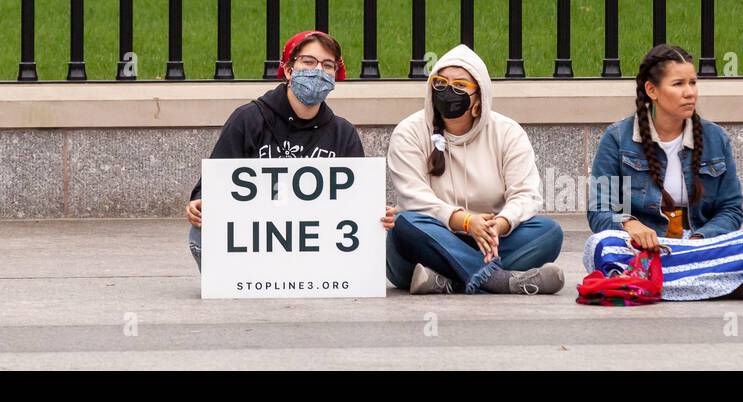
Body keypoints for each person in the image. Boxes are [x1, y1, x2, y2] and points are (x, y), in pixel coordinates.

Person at [583, 43, 743, 301]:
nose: (690, 93)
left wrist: (700, 238)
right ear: (651, 90)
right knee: (603, 244)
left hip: (702, 245)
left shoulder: (715, 137)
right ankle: (717, 282)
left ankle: (651, 281)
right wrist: (630, 225)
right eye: (678, 84)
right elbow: (599, 209)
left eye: (693, 83)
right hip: (650, 249)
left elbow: (731, 209)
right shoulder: (618, 137)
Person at [185, 30, 396, 270]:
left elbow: (357, 202)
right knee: (202, 231)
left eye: (328, 65)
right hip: (255, 238)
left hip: (317, 245)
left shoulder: (343, 134)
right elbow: (215, 181)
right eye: (308, 62)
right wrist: (199, 203)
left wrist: (378, 214)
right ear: (288, 69)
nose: (318, 71)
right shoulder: (248, 119)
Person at [385, 44, 565, 296]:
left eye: (459, 86)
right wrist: (467, 222)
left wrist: (499, 225)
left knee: (548, 232)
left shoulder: (507, 132)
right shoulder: (409, 132)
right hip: (431, 240)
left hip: (489, 240)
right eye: (440, 83)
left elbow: (526, 195)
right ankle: (500, 280)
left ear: (480, 97)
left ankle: (447, 281)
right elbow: (414, 197)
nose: (448, 91)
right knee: (405, 222)